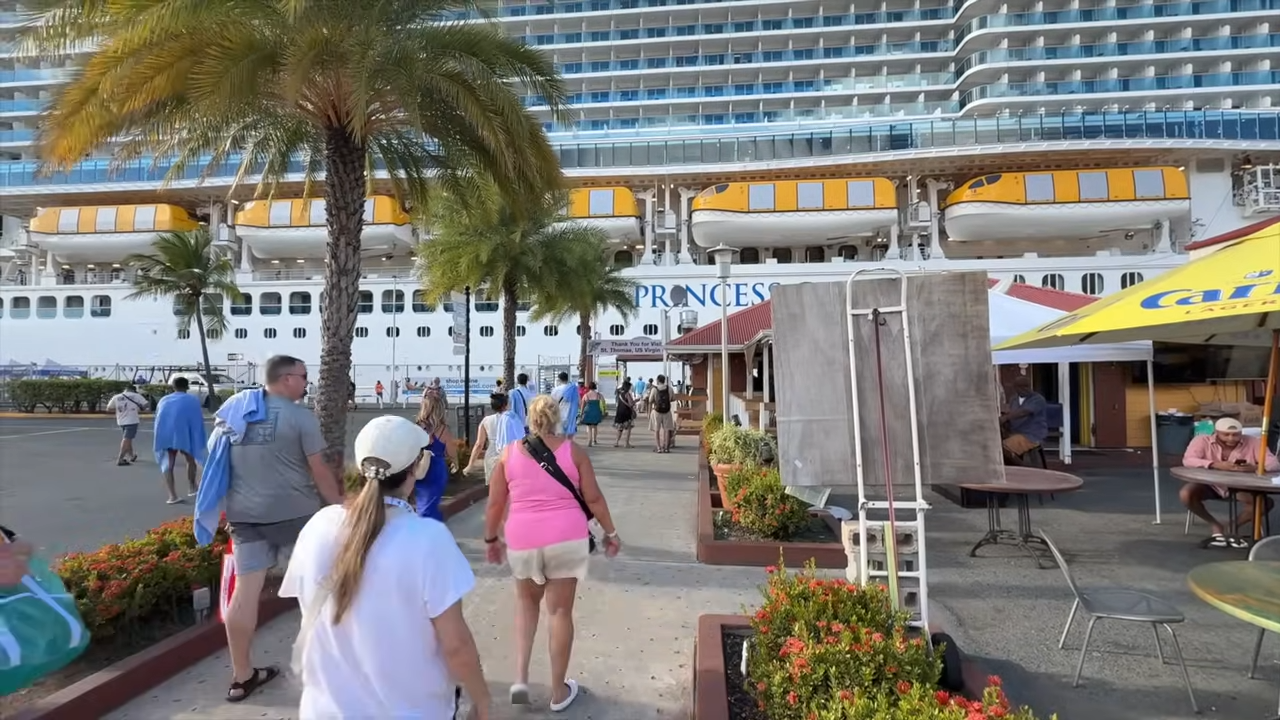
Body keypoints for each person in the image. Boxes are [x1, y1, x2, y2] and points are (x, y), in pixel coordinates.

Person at [281, 415, 490, 719]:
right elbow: (456, 645)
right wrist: (483, 703)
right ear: (418, 467)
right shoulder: (428, 539)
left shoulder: (318, 525)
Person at [483, 395, 621, 711]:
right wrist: (611, 534)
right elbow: (594, 499)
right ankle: (558, 692)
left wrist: (491, 539)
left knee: (526, 605)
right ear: (557, 418)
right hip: (566, 537)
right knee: (559, 613)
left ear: (529, 419)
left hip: (523, 538)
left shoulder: (508, 454)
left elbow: (495, 503)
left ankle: (520, 682)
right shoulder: (575, 452)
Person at [222, 355, 342, 703]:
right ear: (287, 378)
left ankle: (241, 676)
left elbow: (217, 461)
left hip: (244, 516)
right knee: (320, 588)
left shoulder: (235, 412)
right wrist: (338, 505)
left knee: (244, 593)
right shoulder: (300, 417)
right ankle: (329, 670)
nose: (307, 382)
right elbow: (319, 470)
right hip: (295, 515)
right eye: (303, 376)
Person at [1180, 417, 1280, 549]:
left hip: (1240, 485)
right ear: (1216, 433)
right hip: (1210, 484)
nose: (1231, 438)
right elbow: (1188, 460)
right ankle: (1215, 524)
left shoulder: (1253, 442)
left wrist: (1255, 467)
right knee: (1186, 494)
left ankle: (1232, 526)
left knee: (1264, 503)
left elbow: (1274, 464)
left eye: (1236, 435)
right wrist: (1214, 464)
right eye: (1226, 435)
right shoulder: (1201, 440)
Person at [152, 377, 207, 504]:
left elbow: (159, 420)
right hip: (185, 435)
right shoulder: (192, 400)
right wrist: (197, 436)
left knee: (167, 464)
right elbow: (197, 420)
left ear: (173, 387)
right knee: (190, 460)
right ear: (187, 387)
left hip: (167, 436)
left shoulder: (164, 400)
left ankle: (172, 495)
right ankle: (192, 487)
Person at [414, 385, 458, 521]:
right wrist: (455, 462)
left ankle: (423, 524)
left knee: (421, 501)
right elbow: (451, 452)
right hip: (437, 469)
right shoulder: (444, 430)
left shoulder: (417, 427)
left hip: (420, 468)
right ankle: (432, 525)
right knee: (432, 503)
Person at [466, 392, 524, 484]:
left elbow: (479, 444)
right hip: (510, 454)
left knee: (494, 486)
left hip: (492, 455)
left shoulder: (486, 421)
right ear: (505, 404)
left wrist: (470, 465)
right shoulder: (512, 418)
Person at [1000, 376, 1048, 465]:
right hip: (1014, 432)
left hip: (1031, 434)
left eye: (1027, 386)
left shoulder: (1037, 399)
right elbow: (1010, 411)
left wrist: (1006, 418)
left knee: (1005, 448)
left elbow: (1024, 412)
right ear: (1015, 388)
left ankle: (1023, 467)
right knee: (996, 444)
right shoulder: (1013, 399)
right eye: (1021, 387)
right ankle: (1011, 467)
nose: (1025, 389)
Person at [106, 384, 149, 466]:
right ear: (133, 390)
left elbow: (109, 408)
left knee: (128, 438)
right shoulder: (136, 396)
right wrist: (139, 408)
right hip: (132, 420)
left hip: (121, 420)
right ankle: (120, 458)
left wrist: (120, 410)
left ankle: (131, 456)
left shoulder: (116, 397)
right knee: (127, 439)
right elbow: (146, 404)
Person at [645, 374, 675, 453]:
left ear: (658, 380)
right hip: (667, 411)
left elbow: (650, 400)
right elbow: (673, 398)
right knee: (667, 429)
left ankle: (658, 447)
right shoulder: (669, 389)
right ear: (664, 380)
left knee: (657, 429)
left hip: (657, 411)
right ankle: (666, 448)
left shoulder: (654, 389)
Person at [550, 372, 580, 441]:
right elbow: (579, 402)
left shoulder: (556, 390)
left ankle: (562, 446)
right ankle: (568, 446)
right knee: (570, 436)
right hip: (571, 415)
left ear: (559, 379)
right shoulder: (574, 389)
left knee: (560, 435)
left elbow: (551, 403)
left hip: (559, 415)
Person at [578, 382, 607, 447]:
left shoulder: (586, 395)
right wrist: (604, 410)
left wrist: (581, 413)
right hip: (596, 411)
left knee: (589, 427)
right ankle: (594, 440)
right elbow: (603, 402)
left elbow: (582, 405)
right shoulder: (599, 395)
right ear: (595, 387)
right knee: (595, 426)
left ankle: (590, 440)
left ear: (589, 387)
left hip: (588, 412)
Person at [613, 381, 636, 448]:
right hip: (626, 412)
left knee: (620, 428)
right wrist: (635, 401)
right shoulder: (627, 394)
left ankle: (616, 442)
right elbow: (631, 404)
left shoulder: (620, 394)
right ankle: (626, 443)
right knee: (628, 428)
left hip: (619, 412)